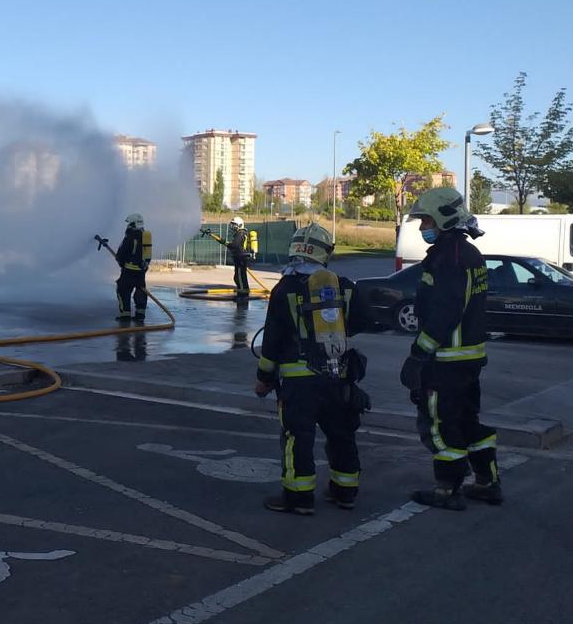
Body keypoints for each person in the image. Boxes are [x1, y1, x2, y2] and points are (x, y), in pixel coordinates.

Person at [255, 223, 370, 515]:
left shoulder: (284, 289)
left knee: (298, 438)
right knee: (342, 434)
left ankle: (299, 497)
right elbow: (361, 321)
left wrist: (264, 378)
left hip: (298, 383)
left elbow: (272, 340)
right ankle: (345, 492)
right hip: (338, 377)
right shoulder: (344, 286)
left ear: (295, 249)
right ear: (325, 252)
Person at [398, 188, 501, 511]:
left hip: (445, 361)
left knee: (440, 424)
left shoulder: (449, 258)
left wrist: (418, 355)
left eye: (426, 220)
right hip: (469, 359)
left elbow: (446, 312)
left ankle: (448, 490)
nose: (422, 227)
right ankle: (487, 482)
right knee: (467, 422)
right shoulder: (467, 253)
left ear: (444, 218)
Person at [115, 213, 153, 321]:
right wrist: (144, 267)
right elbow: (147, 254)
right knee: (141, 291)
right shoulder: (145, 235)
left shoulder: (130, 235)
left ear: (133, 223)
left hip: (129, 270)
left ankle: (125, 315)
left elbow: (122, 252)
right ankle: (140, 315)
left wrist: (120, 261)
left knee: (122, 290)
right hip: (141, 271)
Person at [205, 217, 252, 298]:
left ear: (240, 225)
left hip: (240, 258)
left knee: (240, 278)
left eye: (235, 225)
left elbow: (234, 245)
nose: (233, 227)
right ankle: (243, 294)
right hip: (240, 258)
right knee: (239, 277)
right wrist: (223, 242)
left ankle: (243, 296)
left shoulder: (240, 234)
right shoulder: (241, 233)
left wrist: (225, 243)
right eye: (232, 225)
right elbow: (235, 246)